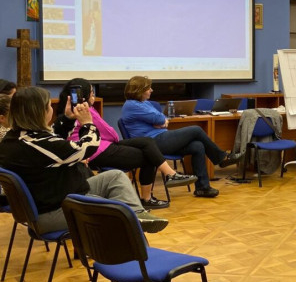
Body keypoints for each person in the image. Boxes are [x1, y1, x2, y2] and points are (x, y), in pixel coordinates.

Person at [0, 86, 168, 235]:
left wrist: (67, 118)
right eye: (49, 106)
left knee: (115, 177)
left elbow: (54, 140)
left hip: (55, 200)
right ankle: (128, 235)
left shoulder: (15, 138)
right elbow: (86, 147)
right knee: (119, 210)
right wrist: (87, 123)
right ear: (40, 112)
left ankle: (137, 216)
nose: (51, 109)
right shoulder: (37, 144)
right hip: (54, 212)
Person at [52, 79, 197, 210]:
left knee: (147, 142)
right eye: (91, 92)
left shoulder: (67, 113)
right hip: (98, 150)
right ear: (84, 95)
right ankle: (148, 198)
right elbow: (111, 134)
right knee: (150, 155)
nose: (93, 95)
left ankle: (170, 175)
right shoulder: (85, 110)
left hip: (101, 146)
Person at [121, 76, 242, 198]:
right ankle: (221, 158)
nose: (151, 90)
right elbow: (160, 118)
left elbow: (163, 117)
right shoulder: (132, 105)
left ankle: (203, 188)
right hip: (152, 143)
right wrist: (161, 121)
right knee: (196, 130)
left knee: (197, 146)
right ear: (139, 90)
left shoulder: (144, 103)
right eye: (148, 88)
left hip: (161, 138)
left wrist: (161, 121)